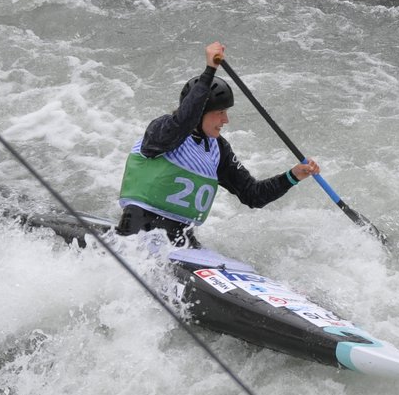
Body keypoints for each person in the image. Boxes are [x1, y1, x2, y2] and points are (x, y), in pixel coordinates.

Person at [117, 41, 319, 247]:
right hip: (137, 230)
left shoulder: (218, 149)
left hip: (181, 238)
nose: (225, 120)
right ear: (200, 113)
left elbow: (252, 194)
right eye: (219, 112)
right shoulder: (162, 133)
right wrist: (209, 70)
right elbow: (184, 121)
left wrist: (292, 176)